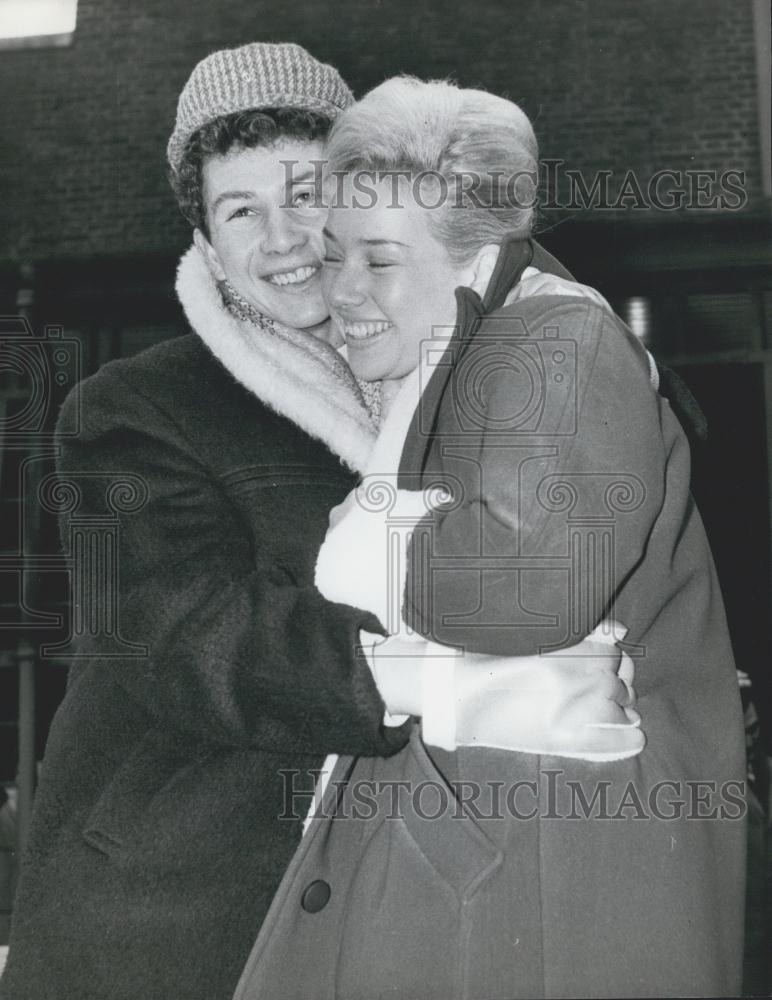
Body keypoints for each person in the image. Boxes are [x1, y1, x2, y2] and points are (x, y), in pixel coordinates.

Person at [0, 45, 640, 1000]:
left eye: (305, 195)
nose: (283, 239)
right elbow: (184, 636)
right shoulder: (130, 409)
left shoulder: (422, 364)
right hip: (180, 909)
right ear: (208, 245)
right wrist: (438, 666)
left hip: (385, 885)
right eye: (239, 212)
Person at [232, 77, 747, 1000]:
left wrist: (376, 547)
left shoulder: (555, 342)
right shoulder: (476, 347)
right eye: (336, 251)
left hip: (540, 874)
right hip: (500, 843)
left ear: (477, 251)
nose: (338, 289)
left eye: (380, 261)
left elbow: (529, 582)